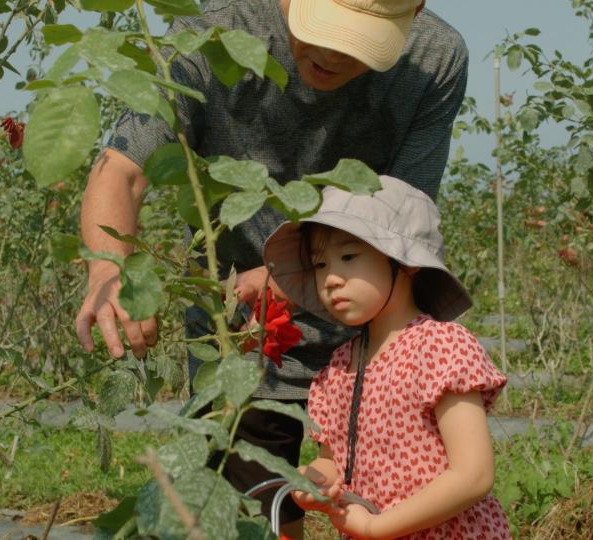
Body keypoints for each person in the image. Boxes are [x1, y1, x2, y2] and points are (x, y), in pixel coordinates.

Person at [74, 0, 468, 535]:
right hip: (247, 339)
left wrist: (295, 271)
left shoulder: (432, 58)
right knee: (258, 517)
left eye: (357, 39)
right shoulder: (210, 36)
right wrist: (110, 271)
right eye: (320, 28)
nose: (328, 52)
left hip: (378, 347)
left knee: (408, 514)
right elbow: (123, 169)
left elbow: (405, 211)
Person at [262, 175, 510, 539]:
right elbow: (333, 463)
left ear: (404, 263)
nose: (331, 279)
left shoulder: (439, 347)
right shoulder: (339, 369)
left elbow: (473, 475)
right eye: (319, 265)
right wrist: (311, 483)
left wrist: (379, 526)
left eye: (348, 257)